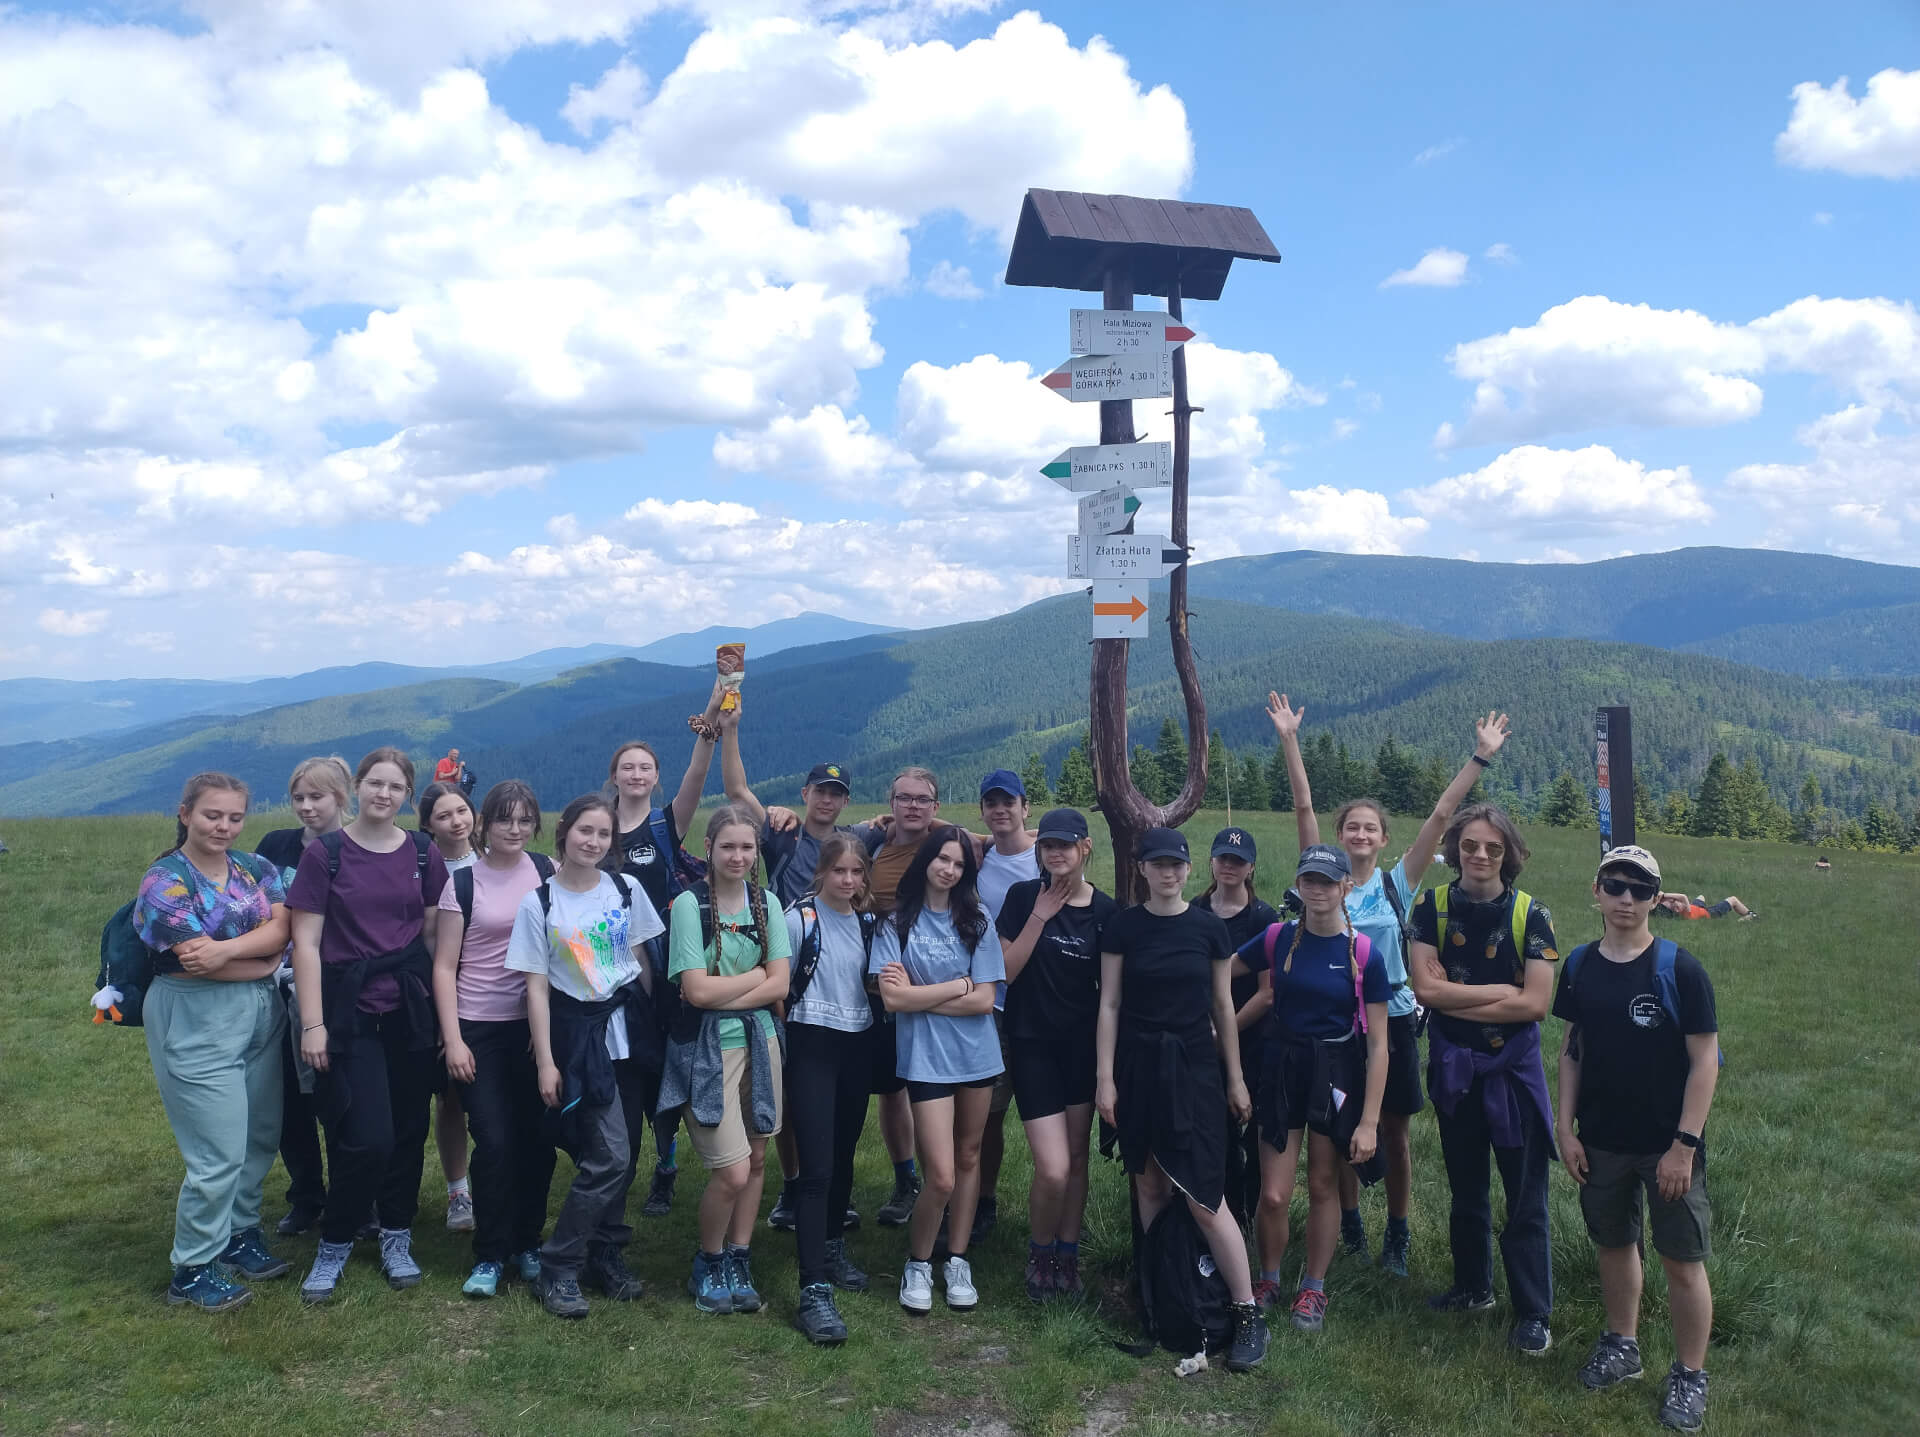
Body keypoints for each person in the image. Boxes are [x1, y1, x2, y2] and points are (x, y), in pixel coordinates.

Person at [1269, 693, 1513, 1274]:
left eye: (1369, 828)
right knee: (1339, 1124)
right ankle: (1349, 1221)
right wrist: (1289, 740)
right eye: (1350, 826)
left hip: (1395, 1015)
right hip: (1334, 1020)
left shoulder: (1398, 882)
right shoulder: (1321, 877)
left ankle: (1397, 1232)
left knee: (1394, 1132)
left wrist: (1480, 758)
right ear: (1338, 836)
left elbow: (1438, 817)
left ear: (1382, 840)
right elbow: (1303, 804)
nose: (1358, 833)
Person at [1556, 845, 1719, 1434]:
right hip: (1600, 1139)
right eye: (1615, 885)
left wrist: (1684, 1145)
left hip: (1666, 1145)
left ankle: (1689, 1375)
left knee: (1682, 1260)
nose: (1626, 899)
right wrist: (1564, 1128)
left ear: (1657, 898)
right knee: (1614, 1245)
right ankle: (1622, 1346)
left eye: (1640, 889)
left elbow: (1706, 1063)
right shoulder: (1577, 966)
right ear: (1595, 890)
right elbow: (1572, 1049)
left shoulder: (1680, 969)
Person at [1098, 826, 1269, 1372]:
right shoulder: (1123, 928)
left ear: (1188, 869)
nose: (1168, 872)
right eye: (1158, 864)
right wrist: (1106, 1078)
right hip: (1139, 1066)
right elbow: (1110, 1006)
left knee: (1202, 1193)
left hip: (1195, 1068)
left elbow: (1223, 1008)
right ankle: (1159, 1296)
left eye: (1177, 864)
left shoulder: (1209, 930)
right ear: (1141, 869)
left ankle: (1246, 1313)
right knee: (1148, 1182)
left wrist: (1235, 1079)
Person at [289, 747, 450, 1302]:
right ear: (357, 786)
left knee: (407, 1131)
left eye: (396, 786)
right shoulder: (327, 855)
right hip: (347, 1008)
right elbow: (305, 943)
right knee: (366, 1136)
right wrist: (313, 1024)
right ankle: (335, 1239)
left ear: (408, 794)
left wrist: (441, 1017)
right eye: (375, 783)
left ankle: (397, 1235)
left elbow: (433, 939)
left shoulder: (424, 854)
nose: (384, 794)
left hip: (409, 1007)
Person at [132, 772, 292, 1310]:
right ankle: (194, 1266)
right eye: (211, 815)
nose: (223, 826)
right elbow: (190, 963)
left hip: (262, 1017)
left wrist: (227, 952)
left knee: (260, 1133)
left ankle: (239, 1234)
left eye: (234, 816)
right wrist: (261, 963)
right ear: (185, 814)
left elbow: (282, 927)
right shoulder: (164, 881)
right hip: (194, 1015)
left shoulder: (256, 868)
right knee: (216, 1149)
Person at [1407, 803, 1560, 1356]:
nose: (1479, 855)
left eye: (1493, 847)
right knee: (1466, 1189)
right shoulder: (1432, 906)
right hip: (1456, 1073)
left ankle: (1534, 1313)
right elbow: (1425, 992)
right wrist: (1502, 996)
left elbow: (1539, 1004)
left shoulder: (1530, 914)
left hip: (1512, 1077)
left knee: (1525, 1197)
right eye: (1470, 845)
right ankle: (1474, 1287)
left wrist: (1457, 999)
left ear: (1509, 854)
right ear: (1454, 848)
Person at [508, 793, 666, 1319]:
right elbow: (535, 987)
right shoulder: (541, 902)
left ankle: (606, 1252)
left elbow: (642, 958)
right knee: (609, 1156)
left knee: (627, 1152)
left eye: (603, 834)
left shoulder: (626, 888)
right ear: (564, 832)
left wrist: (652, 1029)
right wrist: (547, 1062)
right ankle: (559, 1263)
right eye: (584, 831)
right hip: (579, 1035)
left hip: (628, 1031)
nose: (593, 842)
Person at [1236, 845, 1390, 1331]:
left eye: (1328, 881)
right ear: (1299, 885)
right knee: (1275, 1193)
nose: (1318, 890)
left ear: (1346, 886)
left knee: (1324, 1184)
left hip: (1336, 1071)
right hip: (1281, 1066)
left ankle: (1314, 1288)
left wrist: (1368, 1122)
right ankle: (1268, 1278)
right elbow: (1221, 969)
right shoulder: (1279, 938)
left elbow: (1381, 1046)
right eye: (1309, 880)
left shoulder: (1365, 954)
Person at [716, 742, 863, 1236]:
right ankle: (793, 1181)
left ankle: (807, 1185)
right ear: (805, 793)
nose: (827, 799)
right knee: (784, 1090)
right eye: (821, 790)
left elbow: (914, 830)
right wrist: (731, 728)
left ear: (844, 801)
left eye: (836, 793)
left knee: (805, 1089)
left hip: (823, 982)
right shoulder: (782, 833)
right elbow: (736, 788)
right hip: (777, 966)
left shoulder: (852, 843)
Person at [661, 806, 791, 1316]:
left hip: (761, 1043)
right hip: (706, 1051)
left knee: (758, 1157)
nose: (737, 856)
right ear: (709, 849)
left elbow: (781, 983)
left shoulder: (768, 904)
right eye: (727, 847)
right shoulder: (690, 906)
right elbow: (693, 991)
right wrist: (755, 981)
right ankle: (708, 1259)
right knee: (733, 1170)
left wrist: (731, 991)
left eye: (747, 847)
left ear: (756, 852)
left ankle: (739, 1257)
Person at [870, 826, 1006, 1316]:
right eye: (941, 859)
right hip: (925, 1060)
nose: (948, 869)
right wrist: (959, 986)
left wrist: (924, 997)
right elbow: (892, 999)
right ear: (925, 860)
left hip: (978, 1057)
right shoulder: (896, 922)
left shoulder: (977, 919)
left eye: (958, 863)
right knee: (942, 1176)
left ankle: (958, 1258)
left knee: (969, 1159)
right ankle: (918, 1262)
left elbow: (987, 1001)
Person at [431, 780, 558, 1299]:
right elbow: (443, 967)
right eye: (505, 819)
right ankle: (490, 1251)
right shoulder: (462, 884)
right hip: (478, 1026)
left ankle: (528, 1242)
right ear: (484, 823)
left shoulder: (548, 872)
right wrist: (453, 1038)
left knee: (537, 1142)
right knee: (494, 1141)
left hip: (536, 1026)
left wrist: (546, 1031)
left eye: (525, 819)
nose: (515, 829)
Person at [605, 683, 727, 1218]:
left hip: (661, 957)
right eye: (627, 767)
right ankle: (615, 1153)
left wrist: (715, 703)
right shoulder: (594, 824)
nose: (636, 775)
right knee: (623, 1062)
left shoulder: (664, 823)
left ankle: (665, 1161)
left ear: (655, 777)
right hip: (607, 958)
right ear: (615, 775)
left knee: (665, 1058)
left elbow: (699, 771)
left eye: (645, 768)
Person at [996, 807, 1116, 1301]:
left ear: (1084, 848)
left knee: (1078, 1158)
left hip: (1081, 1050)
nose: (1056, 853)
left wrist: (1107, 1069)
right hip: (1033, 1046)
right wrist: (1040, 918)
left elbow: (1109, 994)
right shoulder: (1022, 897)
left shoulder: (1105, 911)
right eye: (1047, 846)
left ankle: (1068, 1254)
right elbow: (1004, 971)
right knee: (1053, 1167)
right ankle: (1039, 1250)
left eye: (1065, 845)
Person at [781, 835, 882, 1343]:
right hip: (812, 1046)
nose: (847, 880)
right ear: (821, 872)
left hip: (856, 1045)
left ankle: (831, 1244)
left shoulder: (868, 924)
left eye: (856, 873)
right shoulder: (800, 920)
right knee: (816, 1167)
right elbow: (779, 986)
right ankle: (812, 1287)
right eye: (839, 871)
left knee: (843, 1157)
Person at [253, 755, 352, 1237]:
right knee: (288, 1098)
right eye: (299, 798)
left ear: (341, 797)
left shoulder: (357, 846)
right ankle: (306, 1195)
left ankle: (352, 1197)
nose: (307, 807)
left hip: (333, 987)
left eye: (318, 797)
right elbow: (253, 906)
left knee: (333, 1096)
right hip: (274, 983)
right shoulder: (275, 846)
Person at [1190, 825, 1281, 1228]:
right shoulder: (1195, 909)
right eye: (1223, 857)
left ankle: (1252, 1216)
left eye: (1238, 860)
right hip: (1202, 1036)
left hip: (1254, 1037)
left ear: (1251, 868)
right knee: (1216, 1133)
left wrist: (1223, 1034)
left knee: (1255, 1132)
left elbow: (1267, 992)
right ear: (1211, 861)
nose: (1230, 865)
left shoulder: (1263, 917)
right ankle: (1221, 1211)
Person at [968, 770, 1040, 1246]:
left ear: (1024, 807)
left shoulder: (1047, 855)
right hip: (990, 1005)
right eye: (991, 803)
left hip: (1038, 1004)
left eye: (1008, 802)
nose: (1000, 810)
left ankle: (1050, 1208)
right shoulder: (978, 858)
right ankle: (984, 1198)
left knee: (1041, 1113)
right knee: (987, 1113)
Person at [419, 781, 480, 1234]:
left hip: (497, 992)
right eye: (444, 815)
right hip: (440, 990)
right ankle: (458, 1191)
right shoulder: (421, 867)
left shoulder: (498, 858)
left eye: (461, 810)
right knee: (451, 1096)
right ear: (428, 825)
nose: (457, 821)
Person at [1657, 892, 1757, 921]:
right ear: (1677, 909)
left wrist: (1660, 897)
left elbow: (1680, 899)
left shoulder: (1684, 909)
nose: (1676, 901)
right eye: (1675, 902)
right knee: (1733, 899)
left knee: (1701, 896)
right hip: (1709, 913)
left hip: (1696, 907)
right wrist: (1665, 895)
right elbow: (1683, 896)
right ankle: (1751, 915)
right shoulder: (1687, 912)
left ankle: (1750, 916)